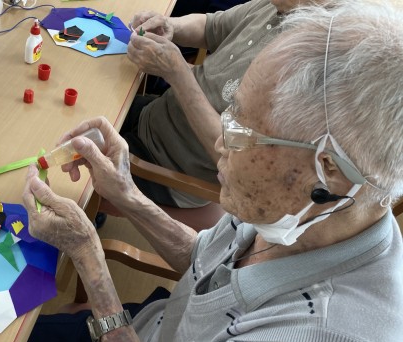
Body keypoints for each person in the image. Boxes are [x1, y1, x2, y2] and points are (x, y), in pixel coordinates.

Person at [0, 1, 403, 342]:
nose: (220, 141)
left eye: (242, 133)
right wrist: (127, 193)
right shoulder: (302, 212)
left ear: (327, 173)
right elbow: (203, 259)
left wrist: (89, 257)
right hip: (147, 341)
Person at [123, 0, 326, 211]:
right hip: (154, 116)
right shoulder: (279, 5)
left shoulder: (309, 65)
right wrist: (171, 25)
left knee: (96, 147)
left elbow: (233, 155)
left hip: (166, 168)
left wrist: (177, 73)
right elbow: (213, 26)